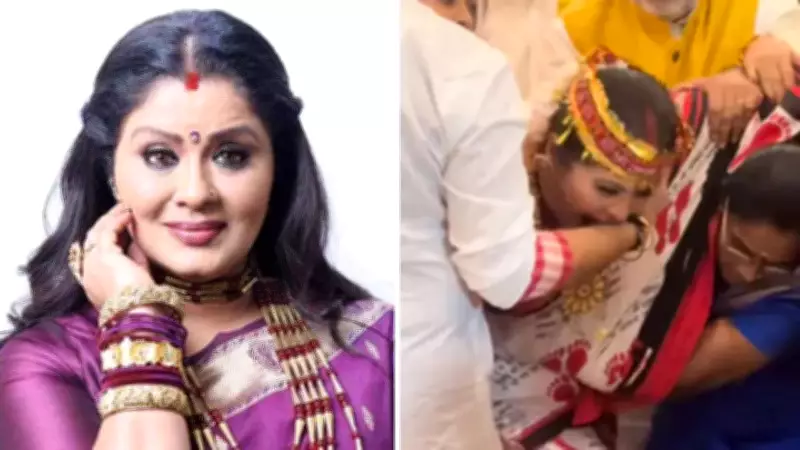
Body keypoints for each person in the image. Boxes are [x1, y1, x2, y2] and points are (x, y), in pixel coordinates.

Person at [0, 10, 393, 450]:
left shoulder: (381, 343)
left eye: (231, 156)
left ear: (276, 169)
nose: (196, 193)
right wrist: (138, 325)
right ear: (110, 170)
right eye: (160, 156)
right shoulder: (50, 364)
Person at [400, 2, 666, 449]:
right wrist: (630, 235)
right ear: (550, 157)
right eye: (607, 189)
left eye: (473, 5)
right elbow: (505, 277)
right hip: (444, 386)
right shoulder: (463, 68)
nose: (622, 210)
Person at [645, 144, 800, 450]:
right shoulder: (687, 227)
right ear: (722, 207)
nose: (749, 274)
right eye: (740, 248)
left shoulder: (790, 300)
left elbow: (672, 378)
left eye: (773, 264)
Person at [559, 0, 799, 145]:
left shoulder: (761, 6)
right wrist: (694, 99)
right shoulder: (571, 25)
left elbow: (790, 36)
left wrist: (750, 74)